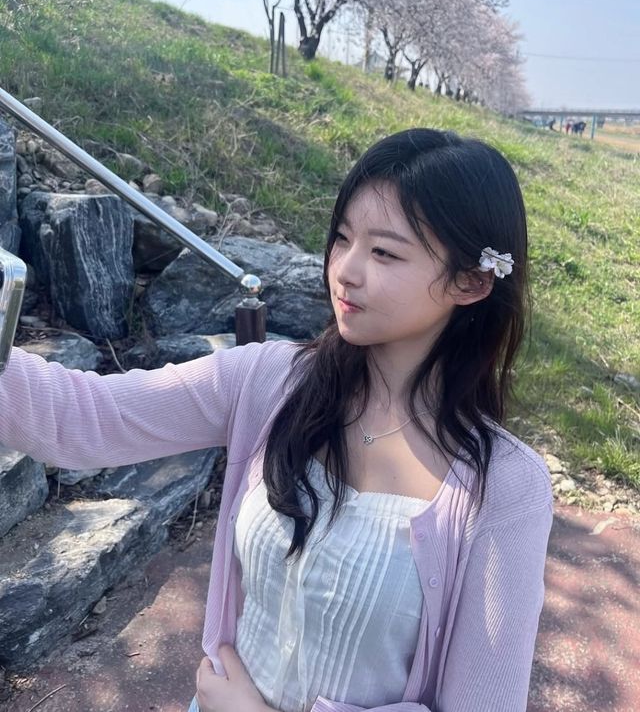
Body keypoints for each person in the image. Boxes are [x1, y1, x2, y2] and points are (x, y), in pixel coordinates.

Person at [0, 128, 553, 712]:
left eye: (385, 253)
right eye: (343, 239)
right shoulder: (270, 382)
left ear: (471, 282)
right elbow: (82, 418)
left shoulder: (504, 486)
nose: (345, 270)